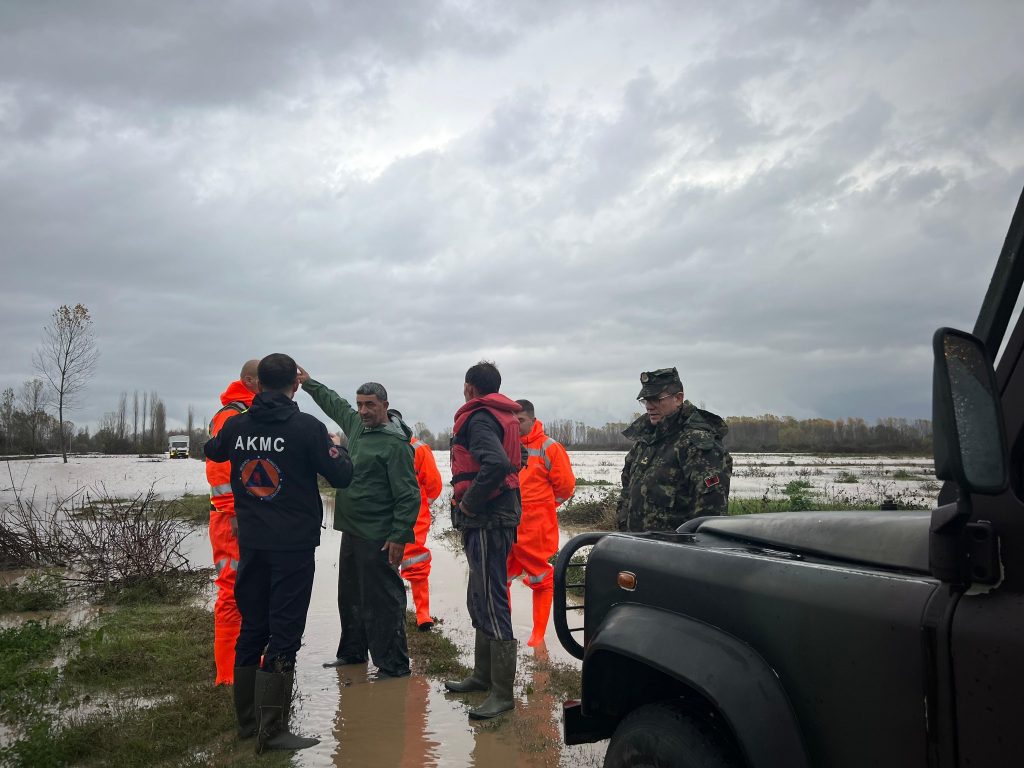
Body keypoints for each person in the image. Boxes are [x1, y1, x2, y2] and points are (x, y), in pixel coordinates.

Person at [203, 353, 353, 753]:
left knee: (253, 625)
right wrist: (339, 446)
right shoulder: (307, 427)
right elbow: (341, 476)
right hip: (293, 547)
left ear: (258, 384)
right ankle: (273, 731)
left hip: (251, 542)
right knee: (285, 632)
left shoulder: (236, 424)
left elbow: (212, 449)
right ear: (295, 385)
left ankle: (247, 724)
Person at [298, 368, 420, 678]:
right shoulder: (356, 426)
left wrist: (398, 536)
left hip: (378, 534)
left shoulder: (395, 444)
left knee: (383, 601)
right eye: (360, 404)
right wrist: (308, 383)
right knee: (349, 595)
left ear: (384, 405)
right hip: (352, 530)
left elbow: (408, 496)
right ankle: (353, 654)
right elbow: (334, 403)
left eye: (370, 405)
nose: (363, 411)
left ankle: (393, 665)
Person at [443, 361, 523, 719]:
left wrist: (470, 505)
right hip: (491, 519)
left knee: (492, 599)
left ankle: (503, 694)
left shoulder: (478, 419)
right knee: (480, 595)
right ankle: (482, 675)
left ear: (470, 388)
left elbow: (496, 464)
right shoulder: (497, 415)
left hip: (490, 520)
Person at [617, 367, 732, 532]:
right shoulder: (646, 441)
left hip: (675, 553)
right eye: (646, 400)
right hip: (636, 549)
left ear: (678, 398)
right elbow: (627, 491)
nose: (649, 406)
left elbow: (710, 515)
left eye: (656, 399)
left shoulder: (697, 445)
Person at [206, 358, 259, 685]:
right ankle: (226, 676)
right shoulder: (230, 416)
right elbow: (220, 471)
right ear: (251, 381)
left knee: (252, 592)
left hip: (247, 519)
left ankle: (251, 663)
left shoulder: (248, 413)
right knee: (231, 592)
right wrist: (234, 511)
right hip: (231, 521)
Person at [508, 399, 575, 647]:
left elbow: (566, 488)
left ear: (533, 420)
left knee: (540, 577)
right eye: (512, 421)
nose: (516, 425)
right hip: (507, 525)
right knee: (501, 577)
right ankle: (506, 630)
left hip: (536, 527)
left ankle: (538, 635)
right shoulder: (507, 445)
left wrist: (543, 506)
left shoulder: (549, 447)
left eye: (521, 420)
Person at [390, 412, 443, 632]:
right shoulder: (375, 444)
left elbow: (433, 485)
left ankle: (422, 614)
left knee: (416, 562)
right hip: (382, 515)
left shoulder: (418, 449)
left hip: (414, 516)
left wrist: (419, 506)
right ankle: (393, 612)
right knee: (382, 565)